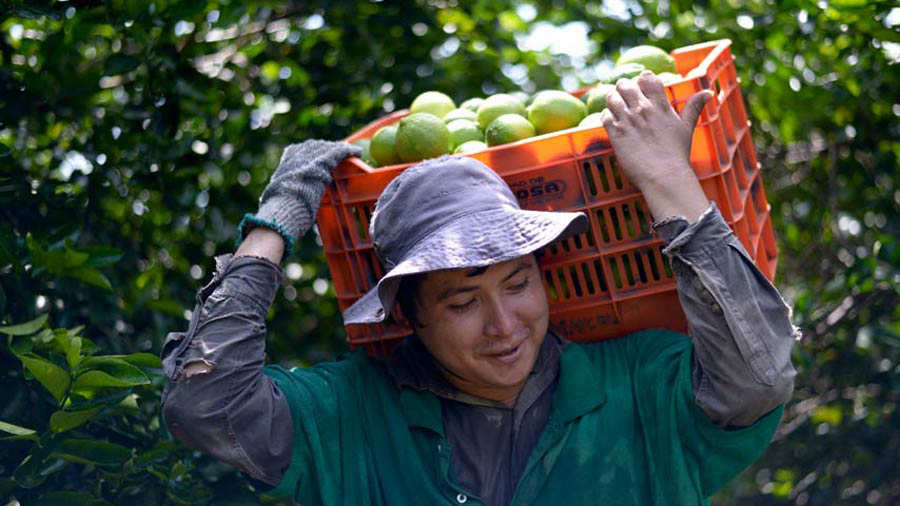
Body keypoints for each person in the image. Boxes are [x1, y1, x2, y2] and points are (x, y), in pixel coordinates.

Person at [161, 72, 797, 505]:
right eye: (462, 302)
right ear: (409, 314)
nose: (505, 324)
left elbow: (759, 378)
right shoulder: (349, 415)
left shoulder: (638, 385)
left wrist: (667, 181)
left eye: (517, 282)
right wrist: (272, 227)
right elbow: (205, 406)